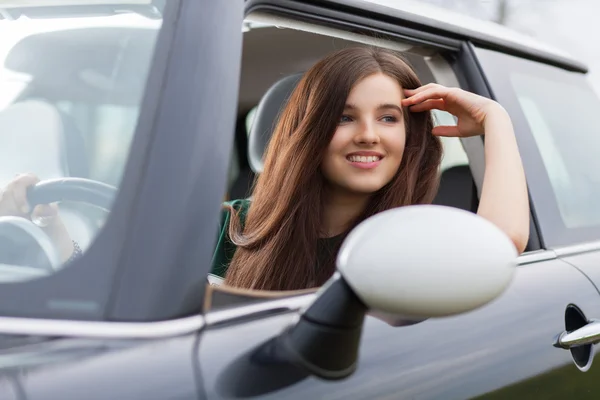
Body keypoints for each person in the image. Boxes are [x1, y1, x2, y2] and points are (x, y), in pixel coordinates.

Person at [0, 47, 530, 292]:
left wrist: (494, 117)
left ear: (408, 136)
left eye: (388, 117)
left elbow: (502, 240)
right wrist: (54, 229)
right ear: (307, 132)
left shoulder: (412, 236)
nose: (368, 133)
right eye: (344, 117)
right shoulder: (228, 224)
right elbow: (131, 296)